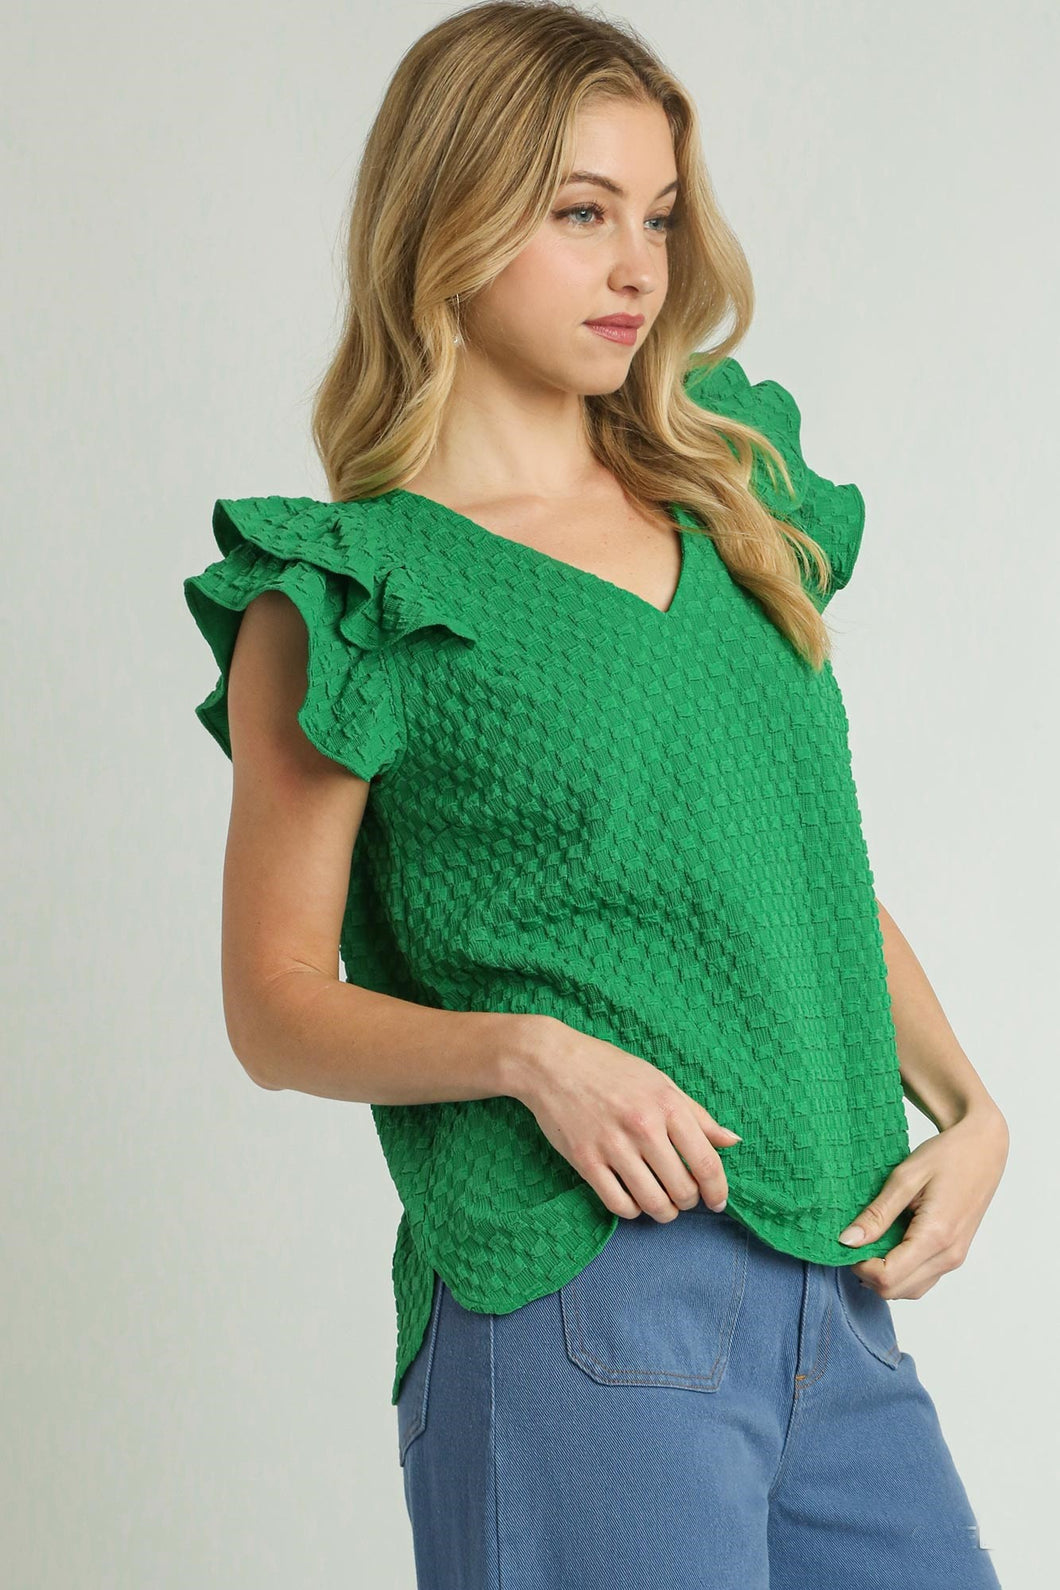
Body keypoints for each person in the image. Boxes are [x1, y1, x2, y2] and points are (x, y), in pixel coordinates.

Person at [182, 3, 1009, 1585]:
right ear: (449, 216)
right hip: (584, 1289)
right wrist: (530, 1054)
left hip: (832, 1293)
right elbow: (273, 1003)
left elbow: (796, 875)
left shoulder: (732, 497)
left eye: (661, 217)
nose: (638, 268)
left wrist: (969, 1107)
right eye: (581, 213)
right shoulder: (360, 591)